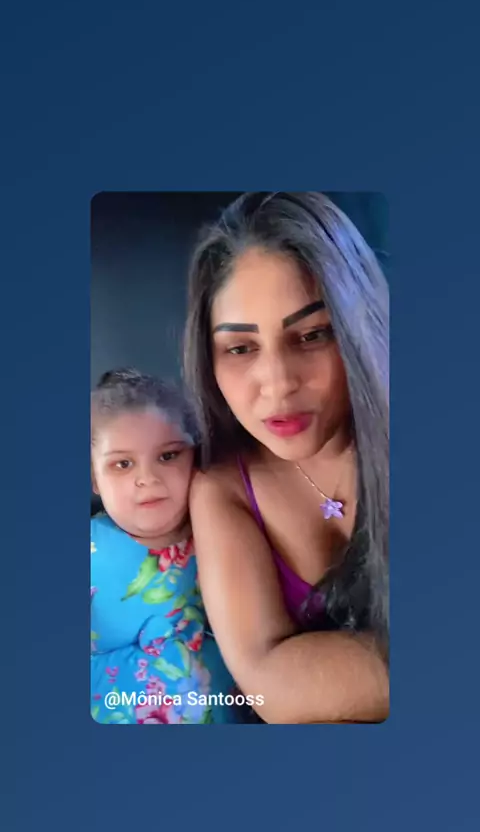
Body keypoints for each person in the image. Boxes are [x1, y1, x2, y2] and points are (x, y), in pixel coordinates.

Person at [184, 192, 389, 724]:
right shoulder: (222, 490)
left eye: (312, 335)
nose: (277, 384)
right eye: (240, 348)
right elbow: (268, 685)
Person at [90, 368, 242, 724]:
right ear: (95, 478)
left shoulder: (228, 531)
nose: (147, 478)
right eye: (122, 464)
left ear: (195, 456)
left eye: (168, 456)